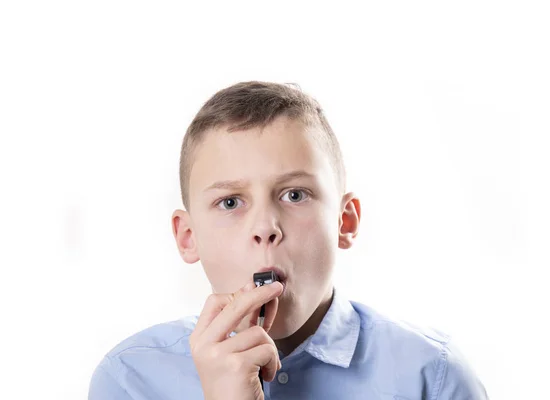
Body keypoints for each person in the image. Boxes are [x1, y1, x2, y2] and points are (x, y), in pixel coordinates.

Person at [88, 81, 488, 399]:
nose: (266, 227)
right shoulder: (129, 381)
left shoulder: (432, 378)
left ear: (344, 222)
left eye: (294, 194)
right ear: (188, 237)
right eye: (230, 202)